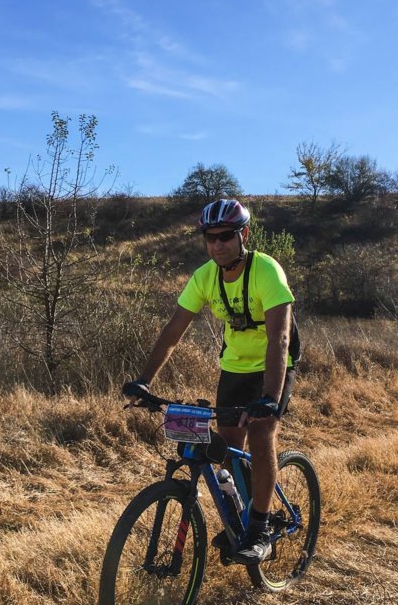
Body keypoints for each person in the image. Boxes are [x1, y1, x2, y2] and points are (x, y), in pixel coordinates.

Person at [123, 198, 297, 565]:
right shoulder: (205, 276)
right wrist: (143, 380)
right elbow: (173, 331)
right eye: (210, 238)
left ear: (243, 235)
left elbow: (280, 339)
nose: (218, 245)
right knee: (228, 449)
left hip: (274, 365)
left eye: (226, 236)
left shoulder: (266, 270)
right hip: (234, 367)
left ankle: (260, 529)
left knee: (261, 433)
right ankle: (242, 511)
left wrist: (269, 396)